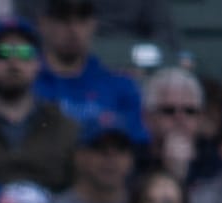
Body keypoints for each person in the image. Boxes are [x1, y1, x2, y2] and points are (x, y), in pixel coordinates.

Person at [0, 17, 78, 192]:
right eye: (2, 53)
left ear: (38, 63)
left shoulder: (63, 126)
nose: (13, 62)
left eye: (25, 53)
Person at [31, 0, 144, 139]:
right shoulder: (26, 87)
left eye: (82, 18)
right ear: (43, 23)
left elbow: (136, 147)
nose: (73, 28)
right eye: (62, 18)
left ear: (93, 23)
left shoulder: (122, 89)